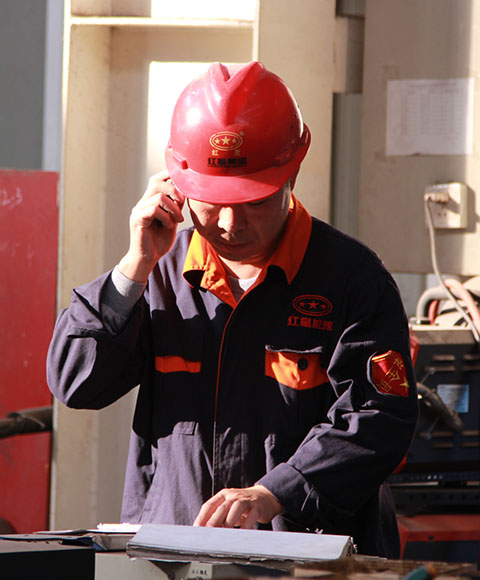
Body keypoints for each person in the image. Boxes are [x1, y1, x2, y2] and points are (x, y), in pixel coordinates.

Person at [47, 61, 418, 558]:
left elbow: (378, 416)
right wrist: (132, 269)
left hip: (309, 559)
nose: (229, 223)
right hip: (176, 555)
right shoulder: (158, 276)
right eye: (211, 201)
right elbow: (76, 383)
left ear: (292, 175)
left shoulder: (352, 280)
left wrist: (277, 492)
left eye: (254, 202)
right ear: (177, 184)